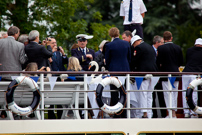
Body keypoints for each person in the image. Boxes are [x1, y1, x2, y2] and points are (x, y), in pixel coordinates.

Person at [156, 31, 184, 118]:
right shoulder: (178, 47)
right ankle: (174, 114)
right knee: (175, 94)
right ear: (171, 38)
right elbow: (181, 62)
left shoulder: (161, 48)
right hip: (175, 73)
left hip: (165, 74)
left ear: (164, 39)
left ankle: (170, 114)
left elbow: (158, 62)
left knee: (167, 94)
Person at [105, 27, 131, 118]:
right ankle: (124, 113)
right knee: (124, 92)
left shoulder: (109, 45)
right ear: (118, 33)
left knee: (114, 93)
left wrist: (108, 68)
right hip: (125, 71)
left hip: (114, 71)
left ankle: (117, 113)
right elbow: (129, 58)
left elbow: (107, 60)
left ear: (110, 34)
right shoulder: (126, 44)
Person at [130, 35, 158, 118]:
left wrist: (131, 70)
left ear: (136, 42)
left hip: (143, 74)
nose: (134, 46)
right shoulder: (150, 47)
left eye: (133, 45)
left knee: (143, 93)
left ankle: (144, 113)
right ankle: (149, 113)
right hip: (153, 73)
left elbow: (134, 61)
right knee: (149, 95)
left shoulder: (138, 48)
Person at [182, 38, 202, 118]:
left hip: (186, 72)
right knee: (193, 93)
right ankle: (193, 112)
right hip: (195, 74)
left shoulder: (189, 50)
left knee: (184, 92)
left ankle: (186, 111)